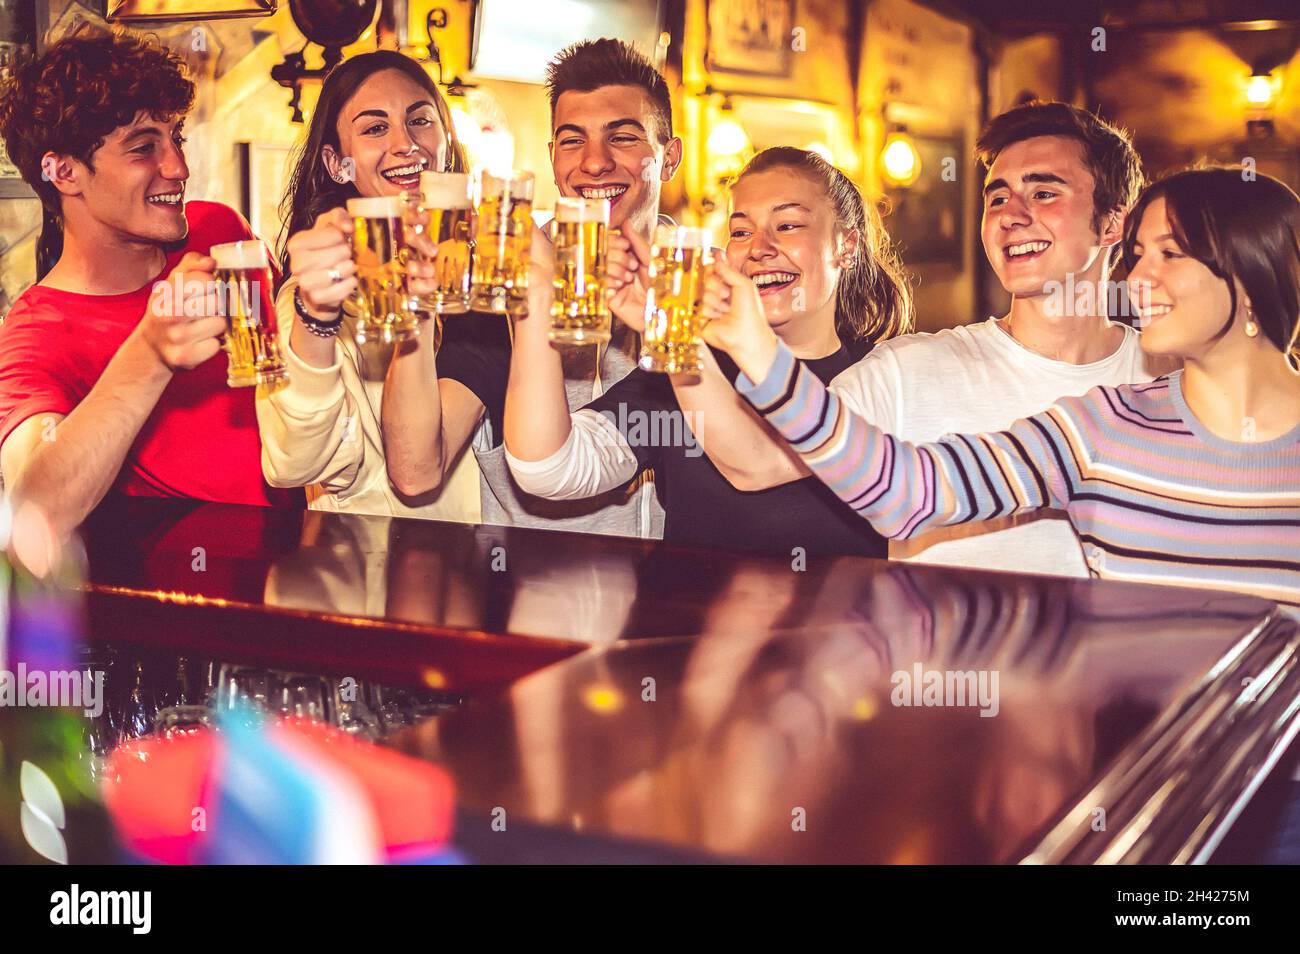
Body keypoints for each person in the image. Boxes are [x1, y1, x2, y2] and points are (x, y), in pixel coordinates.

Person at [709, 167, 1300, 610]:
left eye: (1170, 254)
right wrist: (754, 348)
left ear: (1251, 275)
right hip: (1151, 766)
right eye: (1139, 254)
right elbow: (904, 492)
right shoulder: (1102, 427)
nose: (1138, 277)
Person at [681, 101, 1174, 576]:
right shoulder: (907, 370)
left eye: (1043, 193)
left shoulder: (1171, 380)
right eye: (997, 198)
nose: (1010, 215)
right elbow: (754, 462)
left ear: (1113, 223)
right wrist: (680, 330)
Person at [503, 147, 910, 557]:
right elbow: (549, 469)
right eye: (740, 232)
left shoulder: (886, 376)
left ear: (847, 245)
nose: (759, 247)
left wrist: (676, 334)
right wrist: (536, 298)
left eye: (787, 225)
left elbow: (754, 461)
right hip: (686, 621)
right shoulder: (682, 372)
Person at [0, 29, 300, 539]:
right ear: (66, 172)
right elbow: (35, 510)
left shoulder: (218, 232)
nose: (179, 168)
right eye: (144, 148)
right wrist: (150, 352)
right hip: (193, 600)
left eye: (176, 138)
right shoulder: (37, 332)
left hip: (320, 565)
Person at [380, 37, 682, 537]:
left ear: (668, 158)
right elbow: (416, 470)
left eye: (623, 137)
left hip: (675, 598)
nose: (594, 162)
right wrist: (417, 304)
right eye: (572, 140)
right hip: (533, 595)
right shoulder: (503, 285)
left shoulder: (706, 286)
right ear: (552, 156)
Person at [256, 50, 482, 520]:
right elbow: (291, 463)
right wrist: (317, 317)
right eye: (375, 128)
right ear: (338, 164)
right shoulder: (316, 293)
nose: (406, 145)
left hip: (481, 575)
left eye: (421, 120)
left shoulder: (487, 277)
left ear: (446, 140)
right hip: (370, 574)